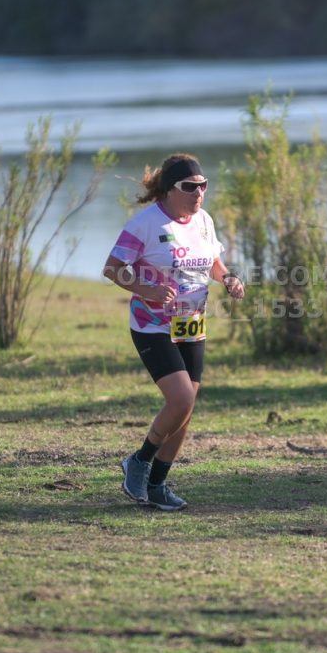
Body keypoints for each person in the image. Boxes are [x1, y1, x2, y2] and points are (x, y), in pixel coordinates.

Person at [102, 153, 244, 511]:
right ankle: (139, 460)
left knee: (185, 409)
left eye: (203, 186)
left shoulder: (204, 221)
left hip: (192, 325)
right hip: (152, 326)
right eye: (189, 187)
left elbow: (212, 261)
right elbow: (112, 268)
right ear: (169, 190)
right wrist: (147, 290)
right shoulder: (146, 224)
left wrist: (227, 277)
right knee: (180, 399)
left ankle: (156, 486)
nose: (199, 193)